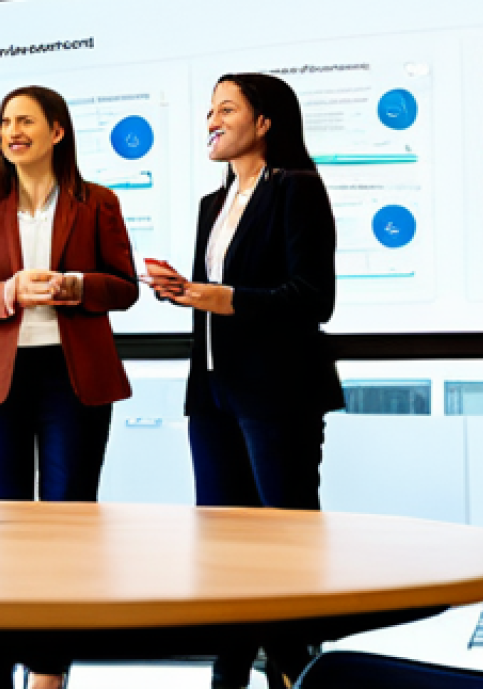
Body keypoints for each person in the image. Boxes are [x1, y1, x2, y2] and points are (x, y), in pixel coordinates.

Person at [146, 72, 344, 689]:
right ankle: (229, 671)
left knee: (283, 538)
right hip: (211, 389)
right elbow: (218, 296)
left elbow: (314, 297)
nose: (211, 119)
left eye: (225, 108)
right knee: (222, 540)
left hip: (276, 390)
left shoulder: (298, 190)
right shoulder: (214, 203)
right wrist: (188, 294)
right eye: (209, 108)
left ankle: (291, 669)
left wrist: (221, 298)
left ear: (264, 123)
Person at [0, 85, 138, 689]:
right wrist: (7, 293)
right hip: (1, 379)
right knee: (3, 515)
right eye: (5, 122)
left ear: (58, 131)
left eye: (25, 121)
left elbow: (124, 287)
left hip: (74, 377)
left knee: (67, 517)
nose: (12, 132)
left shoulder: (98, 202)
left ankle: (49, 671)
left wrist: (75, 284)